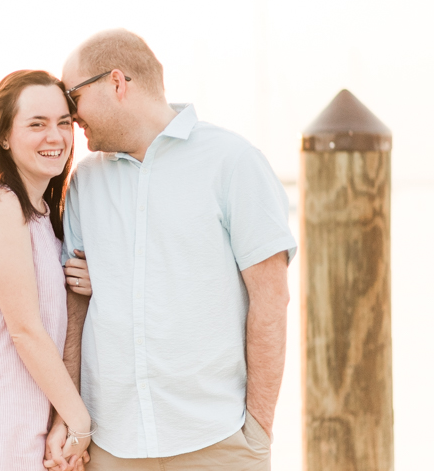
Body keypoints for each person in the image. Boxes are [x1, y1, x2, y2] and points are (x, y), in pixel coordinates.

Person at [44, 30, 297, 470]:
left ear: (117, 83)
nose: (70, 114)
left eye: (73, 96)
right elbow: (76, 307)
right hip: (110, 445)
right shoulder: (84, 181)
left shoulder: (232, 162)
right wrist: (69, 418)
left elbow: (271, 298)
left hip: (218, 442)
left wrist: (257, 430)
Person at [0, 70, 94, 471]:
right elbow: (25, 329)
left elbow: (56, 325)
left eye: (64, 123)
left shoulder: (46, 217)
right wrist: (80, 422)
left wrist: (61, 425)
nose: (56, 136)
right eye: (37, 124)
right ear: (4, 137)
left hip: (36, 434)